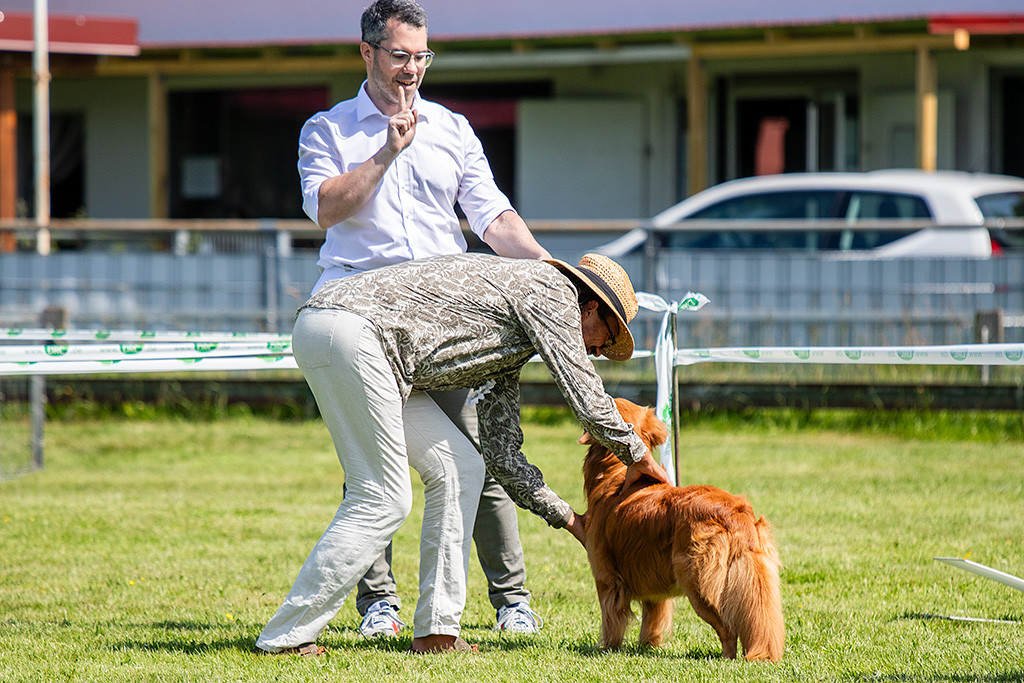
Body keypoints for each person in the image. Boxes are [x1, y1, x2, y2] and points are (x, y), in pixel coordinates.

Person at [254, 252, 671, 655]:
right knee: (381, 496)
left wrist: (570, 520)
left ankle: (437, 631)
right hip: (353, 330)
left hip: (350, 334)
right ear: (590, 309)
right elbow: (589, 400)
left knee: (461, 467)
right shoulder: (551, 290)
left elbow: (503, 455)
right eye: (609, 337)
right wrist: (643, 460)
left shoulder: (511, 337)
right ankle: (286, 635)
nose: (599, 352)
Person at [297, 0, 552, 636]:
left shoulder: (454, 128)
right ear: (367, 51)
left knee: (480, 453)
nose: (413, 69)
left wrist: (550, 271)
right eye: (400, 55)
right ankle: (377, 604)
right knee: (373, 473)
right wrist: (384, 155)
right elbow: (325, 210)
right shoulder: (327, 130)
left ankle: (511, 601)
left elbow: (492, 217)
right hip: (361, 321)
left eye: (422, 55)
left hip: (444, 320)